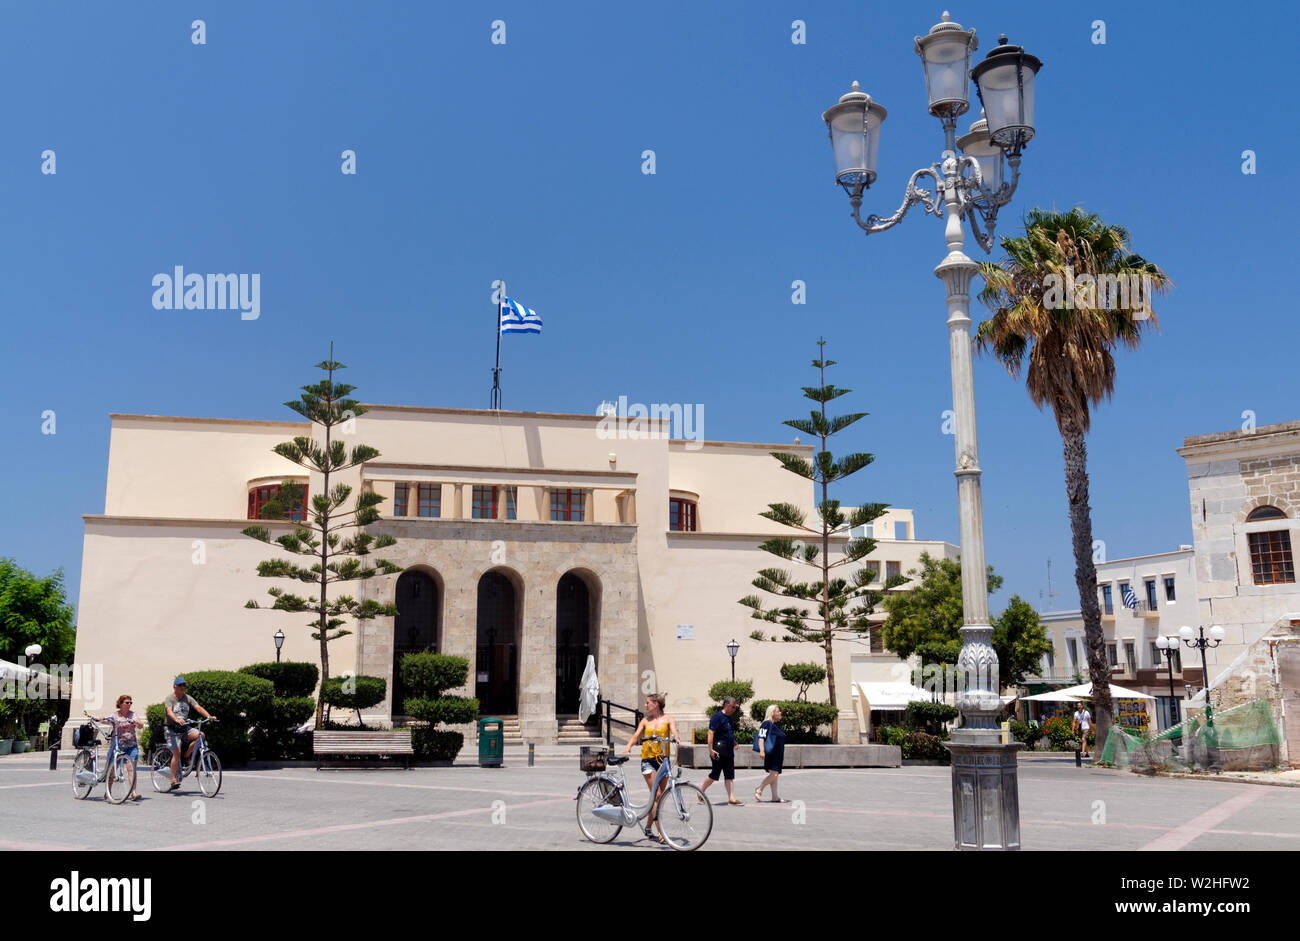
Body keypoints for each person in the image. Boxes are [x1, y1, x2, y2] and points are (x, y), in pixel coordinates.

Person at [624, 692, 678, 841]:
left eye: (648, 703)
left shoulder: (668, 719)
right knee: (658, 795)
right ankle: (661, 832)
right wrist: (628, 746)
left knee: (656, 798)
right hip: (648, 760)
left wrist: (677, 739)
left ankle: (648, 827)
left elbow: (674, 731)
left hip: (663, 760)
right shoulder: (645, 721)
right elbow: (636, 736)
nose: (645, 705)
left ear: (656, 704)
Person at [165, 677, 215, 790]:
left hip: (184, 727)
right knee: (176, 753)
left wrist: (208, 716)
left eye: (184, 685)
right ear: (175, 687)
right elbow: (169, 711)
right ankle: (173, 780)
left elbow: (198, 707)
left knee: (200, 735)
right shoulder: (170, 698)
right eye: (180, 685)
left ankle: (187, 755)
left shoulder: (187, 698)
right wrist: (176, 719)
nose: (183, 687)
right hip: (171, 728)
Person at [100, 694, 145, 801]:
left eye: (130, 703)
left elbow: (140, 725)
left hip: (131, 745)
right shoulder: (115, 715)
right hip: (118, 746)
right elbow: (106, 720)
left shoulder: (132, 715)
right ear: (120, 704)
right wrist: (101, 719)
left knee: (131, 769)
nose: (129, 704)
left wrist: (136, 722)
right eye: (127, 702)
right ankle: (108, 791)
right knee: (113, 770)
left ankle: (133, 792)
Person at [699, 697, 743, 805]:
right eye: (733, 707)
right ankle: (700, 792)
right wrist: (710, 750)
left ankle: (731, 798)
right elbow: (710, 733)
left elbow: (729, 734)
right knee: (715, 774)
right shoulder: (717, 717)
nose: (734, 709)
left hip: (728, 751)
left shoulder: (730, 718)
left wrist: (734, 743)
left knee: (729, 775)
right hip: (717, 751)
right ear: (726, 705)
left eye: (735, 707)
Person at [754, 704, 788, 803]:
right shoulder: (766, 724)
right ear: (772, 713)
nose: (780, 713)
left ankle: (775, 797)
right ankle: (759, 789)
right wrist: (762, 751)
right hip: (771, 754)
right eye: (778, 711)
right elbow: (761, 737)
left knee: (775, 775)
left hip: (778, 754)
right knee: (774, 774)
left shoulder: (775, 724)